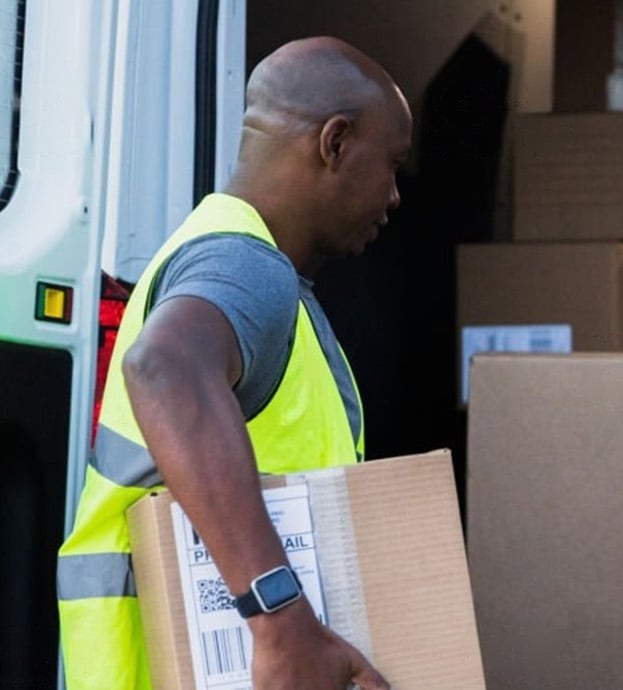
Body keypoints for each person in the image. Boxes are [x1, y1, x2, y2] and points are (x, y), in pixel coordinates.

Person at [56, 37, 411, 690]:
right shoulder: (244, 266)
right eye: (390, 166)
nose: (393, 196)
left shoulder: (239, 261)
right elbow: (162, 367)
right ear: (334, 143)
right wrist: (282, 622)